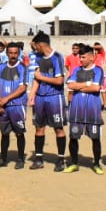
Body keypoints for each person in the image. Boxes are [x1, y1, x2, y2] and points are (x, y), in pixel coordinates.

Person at [28, 32, 68, 171]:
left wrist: (41, 77)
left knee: (58, 128)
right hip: (40, 98)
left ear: (40, 45)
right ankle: (39, 159)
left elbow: (59, 80)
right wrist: (32, 94)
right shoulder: (38, 57)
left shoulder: (57, 57)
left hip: (54, 97)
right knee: (39, 128)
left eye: (35, 46)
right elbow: (36, 78)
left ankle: (61, 159)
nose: (34, 49)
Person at [64, 46, 105, 173]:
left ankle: (96, 164)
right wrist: (87, 84)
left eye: (83, 57)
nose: (80, 59)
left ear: (91, 57)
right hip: (76, 110)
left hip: (93, 110)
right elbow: (70, 85)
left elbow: (96, 88)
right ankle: (74, 163)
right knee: (73, 137)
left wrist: (78, 87)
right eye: (80, 57)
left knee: (95, 138)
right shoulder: (76, 70)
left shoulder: (98, 70)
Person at [0, 42, 28, 169]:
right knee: (4, 133)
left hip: (17, 106)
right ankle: (3, 159)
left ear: (18, 54)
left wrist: (6, 99)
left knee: (19, 133)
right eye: (11, 53)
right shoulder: (1, 67)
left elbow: (22, 88)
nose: (13, 55)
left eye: (15, 53)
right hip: (4, 106)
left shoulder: (22, 67)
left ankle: (20, 159)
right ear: (7, 53)